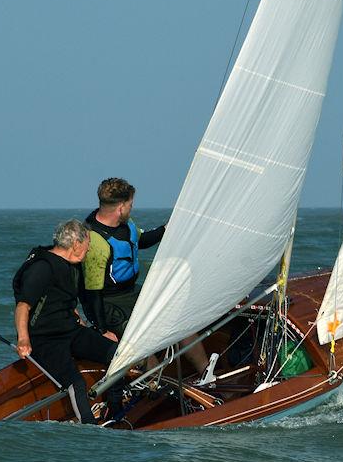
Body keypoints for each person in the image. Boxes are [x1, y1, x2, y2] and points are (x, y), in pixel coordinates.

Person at [82, 177, 209, 376]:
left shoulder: (127, 224)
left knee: (177, 320)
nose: (132, 208)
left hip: (131, 292)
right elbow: (92, 293)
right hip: (107, 302)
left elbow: (141, 240)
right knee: (137, 342)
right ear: (121, 207)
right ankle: (157, 386)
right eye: (131, 205)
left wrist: (167, 229)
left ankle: (208, 375)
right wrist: (102, 329)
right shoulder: (94, 242)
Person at [13, 218, 123, 424]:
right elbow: (23, 307)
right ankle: (90, 429)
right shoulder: (42, 268)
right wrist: (23, 340)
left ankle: (115, 413)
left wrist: (94, 331)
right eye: (88, 243)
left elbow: (62, 301)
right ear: (76, 244)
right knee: (76, 383)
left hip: (70, 331)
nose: (89, 248)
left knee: (117, 354)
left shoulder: (70, 265)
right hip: (46, 340)